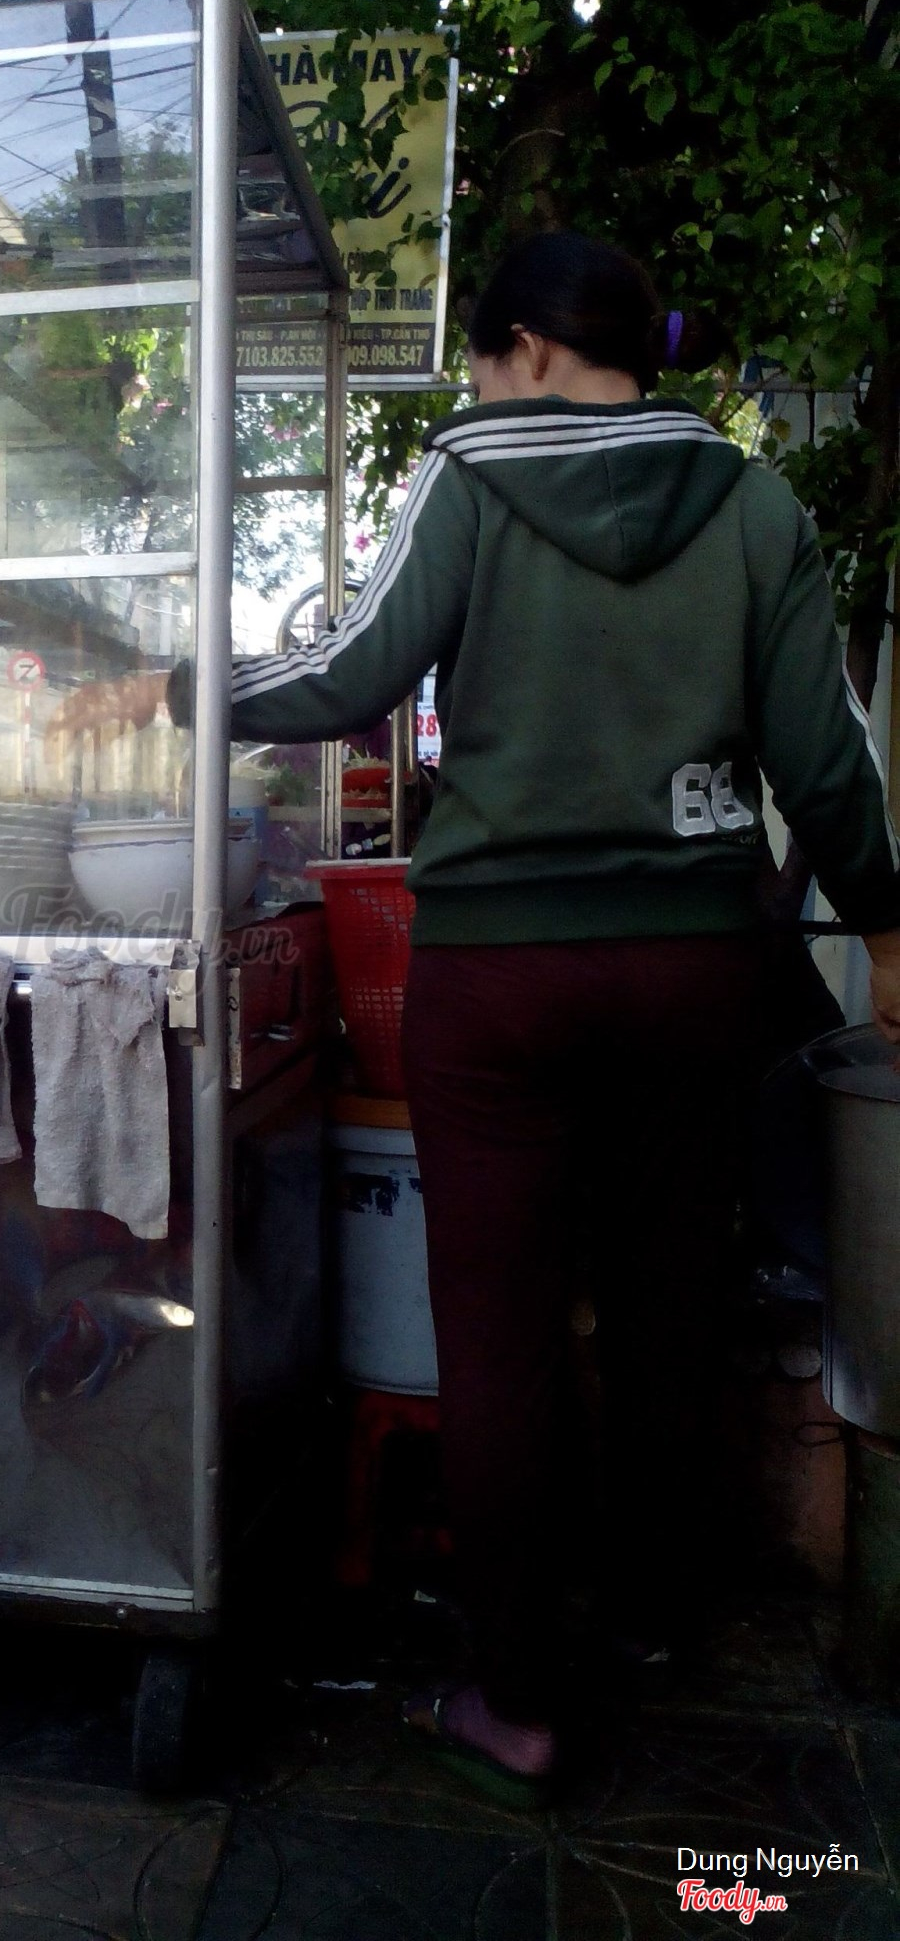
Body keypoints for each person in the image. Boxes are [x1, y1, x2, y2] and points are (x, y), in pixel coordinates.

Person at [72, 231, 900, 1797]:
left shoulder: (467, 475)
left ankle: (515, 1697)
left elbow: (349, 674)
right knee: (668, 1300)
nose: (475, 386)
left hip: (501, 977)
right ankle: (649, 1615)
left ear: (524, 346)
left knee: (502, 1332)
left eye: (479, 360)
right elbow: (824, 749)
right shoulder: (754, 500)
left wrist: (181, 690)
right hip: (692, 969)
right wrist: (888, 923)